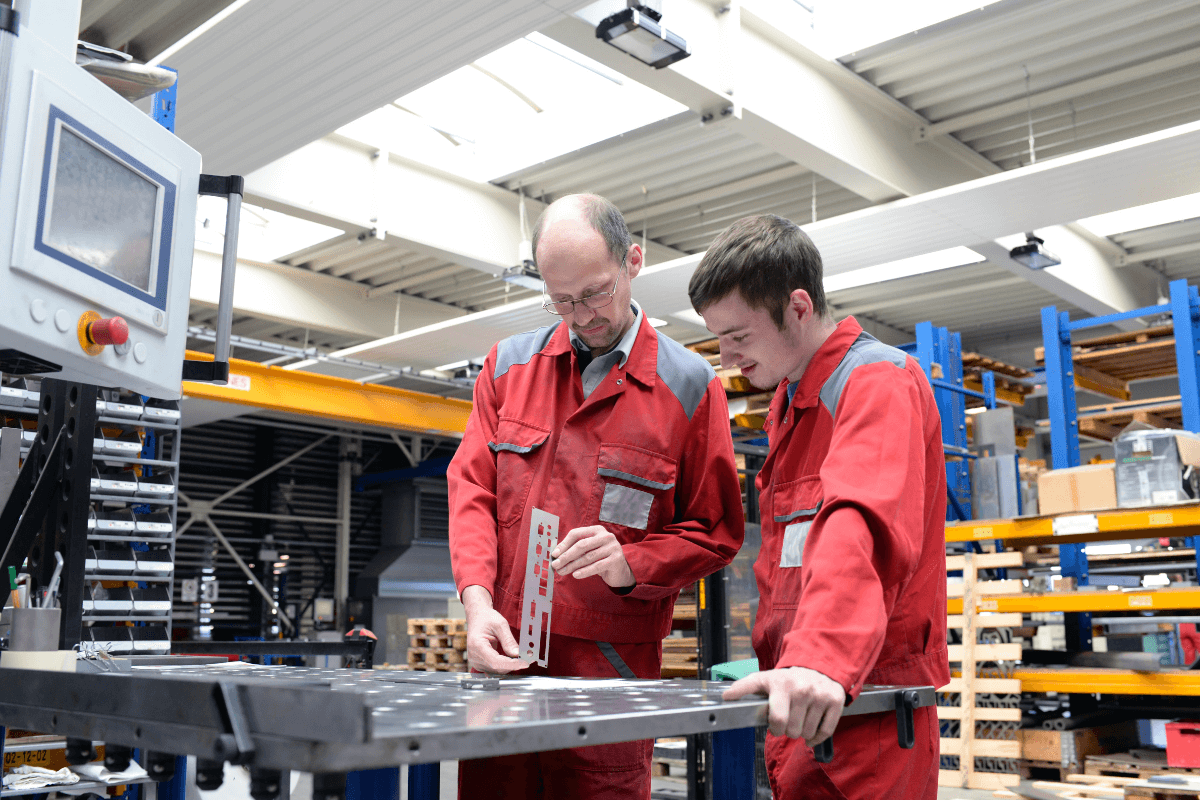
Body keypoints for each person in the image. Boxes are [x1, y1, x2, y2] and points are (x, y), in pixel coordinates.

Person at [448, 193, 745, 799]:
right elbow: (472, 488)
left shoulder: (689, 388)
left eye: (595, 292)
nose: (581, 316)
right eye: (562, 300)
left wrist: (629, 563)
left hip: (610, 670)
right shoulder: (508, 368)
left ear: (633, 261)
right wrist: (478, 607)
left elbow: (715, 532)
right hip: (506, 653)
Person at [687, 214, 949, 799]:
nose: (728, 360)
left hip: (869, 713)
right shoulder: (790, 402)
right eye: (719, 340)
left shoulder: (875, 380)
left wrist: (821, 657)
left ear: (799, 306)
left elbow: (861, 520)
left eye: (739, 336)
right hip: (804, 701)